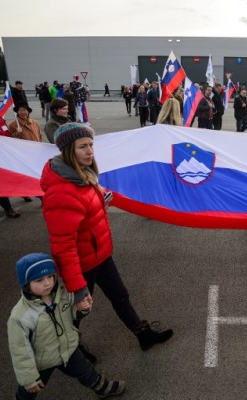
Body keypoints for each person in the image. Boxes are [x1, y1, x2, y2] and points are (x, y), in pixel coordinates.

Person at [40, 123, 173, 360]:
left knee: (120, 295)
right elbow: (63, 246)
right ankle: (70, 346)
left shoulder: (84, 175)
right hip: (82, 264)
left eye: (91, 145)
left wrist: (102, 199)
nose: (90, 151)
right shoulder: (61, 191)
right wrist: (78, 288)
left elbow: (86, 212)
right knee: (80, 309)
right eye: (83, 146)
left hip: (100, 255)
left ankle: (142, 335)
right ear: (69, 150)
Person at [8, 253, 126, 400]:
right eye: (39, 280)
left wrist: (82, 308)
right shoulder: (20, 315)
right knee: (28, 391)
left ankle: (102, 388)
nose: (47, 283)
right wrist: (28, 378)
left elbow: (72, 314)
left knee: (87, 371)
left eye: (50, 277)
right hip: (42, 360)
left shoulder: (62, 292)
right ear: (26, 284)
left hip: (68, 348)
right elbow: (19, 349)